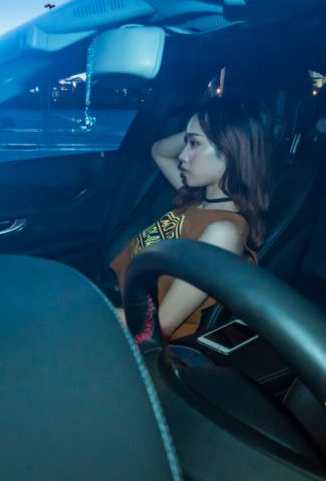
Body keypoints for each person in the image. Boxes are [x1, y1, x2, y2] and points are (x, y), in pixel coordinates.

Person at [109, 95, 273, 341]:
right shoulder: (197, 201)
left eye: (194, 144)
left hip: (132, 331)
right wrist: (197, 127)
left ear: (230, 150)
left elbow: (160, 325)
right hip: (117, 301)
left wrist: (88, 308)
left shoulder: (223, 232)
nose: (182, 155)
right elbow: (159, 151)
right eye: (186, 142)